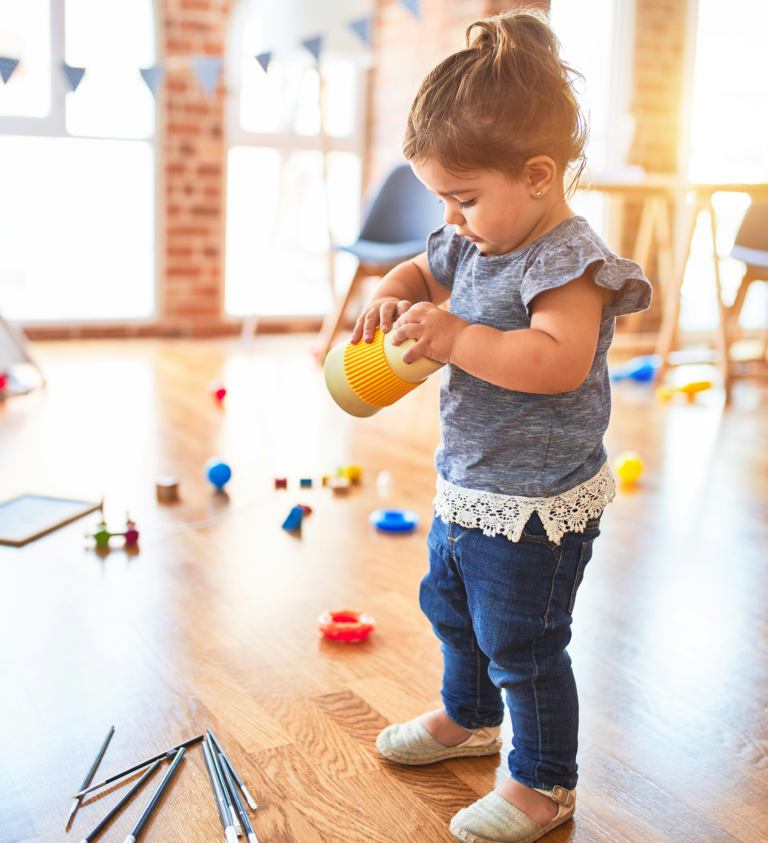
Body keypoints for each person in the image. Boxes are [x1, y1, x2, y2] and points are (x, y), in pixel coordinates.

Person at [350, 9, 652, 843]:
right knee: (450, 606)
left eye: (464, 197)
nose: (452, 218)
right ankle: (470, 715)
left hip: (538, 503)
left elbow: (554, 360)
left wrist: (455, 336)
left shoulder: (570, 263)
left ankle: (543, 780)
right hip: (472, 480)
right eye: (444, 199)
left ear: (539, 175)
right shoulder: (476, 238)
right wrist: (392, 289)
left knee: (523, 640)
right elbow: (422, 262)